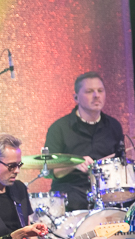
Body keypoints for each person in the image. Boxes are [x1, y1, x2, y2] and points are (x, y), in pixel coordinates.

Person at [45, 71, 125, 210]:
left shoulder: (114, 126)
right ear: (76, 97)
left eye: (100, 90)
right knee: (75, 202)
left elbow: (120, 165)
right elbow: (51, 171)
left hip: (105, 191)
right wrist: (74, 164)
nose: (96, 95)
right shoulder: (59, 128)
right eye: (89, 91)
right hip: (71, 190)